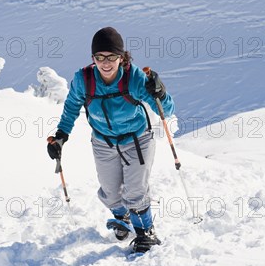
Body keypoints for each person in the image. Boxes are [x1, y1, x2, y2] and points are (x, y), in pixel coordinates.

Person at [47, 27, 174, 253]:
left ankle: (146, 231)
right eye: (100, 57)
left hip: (137, 139)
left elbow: (167, 109)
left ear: (121, 57)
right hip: (103, 141)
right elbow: (71, 109)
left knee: (135, 190)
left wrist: (159, 91)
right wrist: (60, 137)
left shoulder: (134, 77)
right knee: (110, 191)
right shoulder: (84, 80)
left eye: (112, 57)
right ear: (93, 58)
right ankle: (122, 217)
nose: (106, 63)